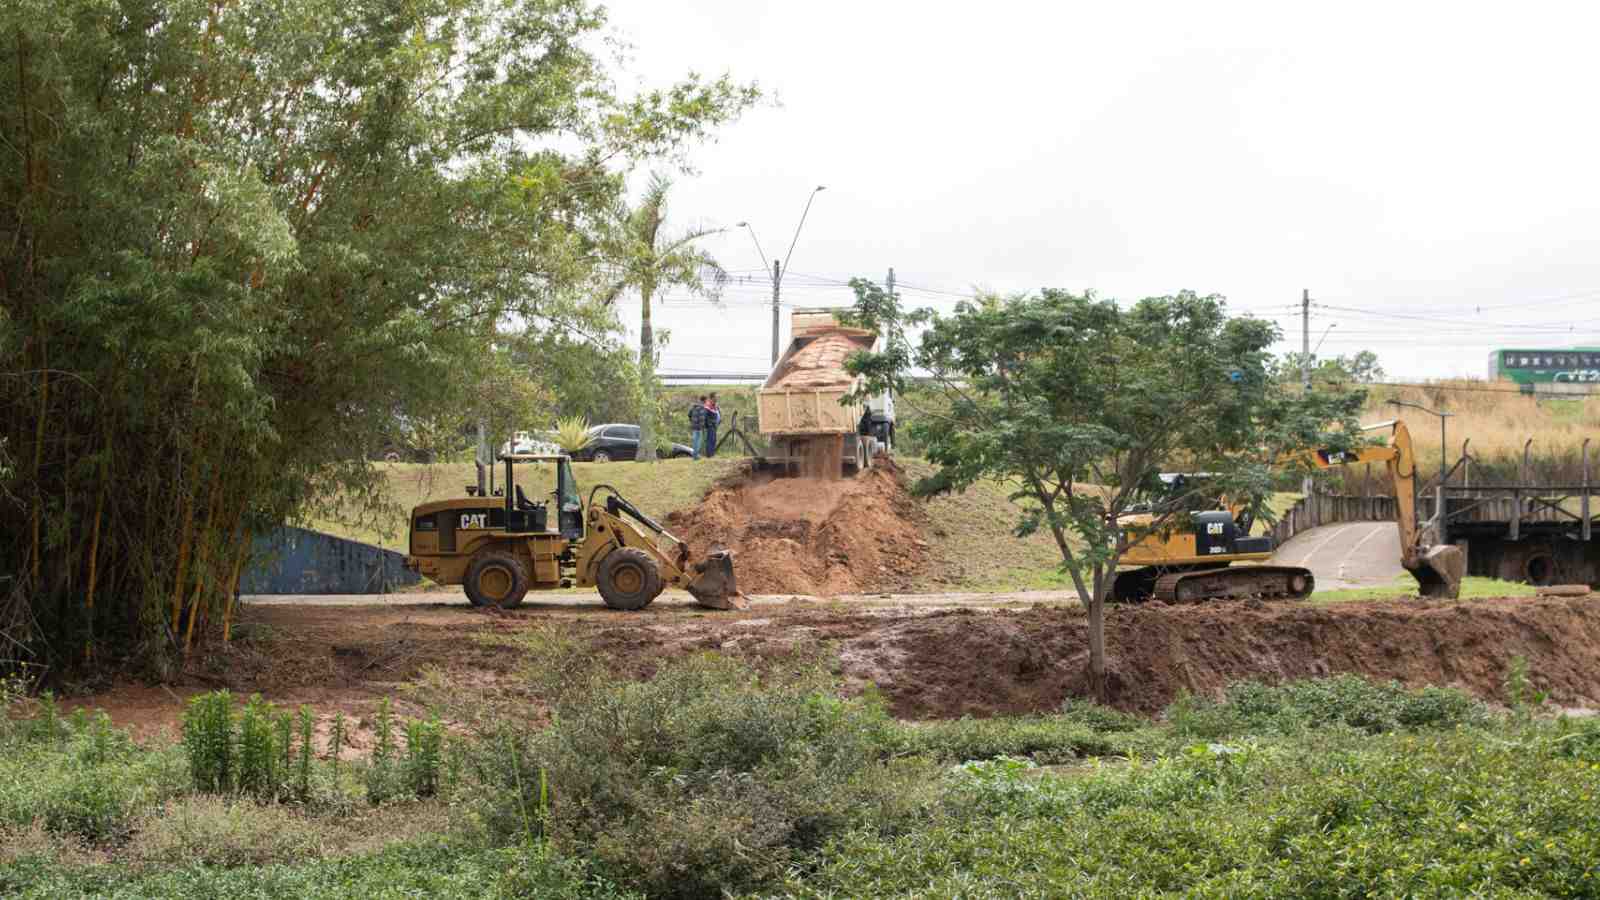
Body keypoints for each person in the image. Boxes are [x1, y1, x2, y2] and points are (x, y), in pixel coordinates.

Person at [688, 395, 709, 459]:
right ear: (704, 400)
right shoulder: (703, 408)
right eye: (706, 401)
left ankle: (695, 455)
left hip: (694, 426)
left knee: (695, 441)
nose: (707, 402)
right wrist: (702, 426)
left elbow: (689, 414)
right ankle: (695, 456)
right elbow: (702, 418)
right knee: (698, 442)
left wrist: (692, 421)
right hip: (699, 427)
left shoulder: (694, 407)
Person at [705, 393, 722, 457]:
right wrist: (710, 424)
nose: (717, 398)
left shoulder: (714, 405)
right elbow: (706, 416)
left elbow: (716, 413)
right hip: (711, 426)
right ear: (712, 397)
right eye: (716, 397)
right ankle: (709, 455)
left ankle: (712, 454)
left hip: (715, 425)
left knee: (713, 440)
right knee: (710, 440)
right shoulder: (708, 405)